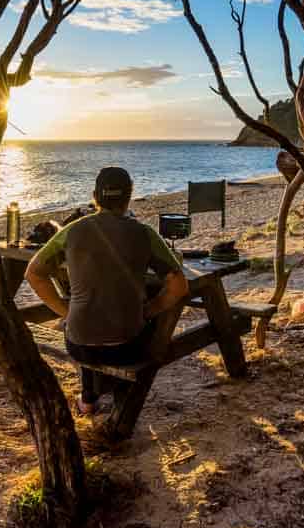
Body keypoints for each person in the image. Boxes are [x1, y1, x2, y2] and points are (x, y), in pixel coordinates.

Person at [26, 167, 189, 415]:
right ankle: (120, 396)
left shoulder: (72, 230)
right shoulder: (144, 233)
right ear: (129, 196)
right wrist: (148, 311)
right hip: (127, 349)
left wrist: (66, 312)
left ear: (95, 197)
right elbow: (179, 286)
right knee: (143, 312)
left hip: (78, 345)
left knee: (88, 318)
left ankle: (88, 399)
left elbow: (34, 273)